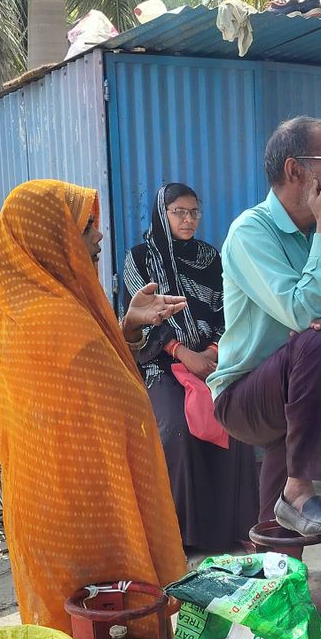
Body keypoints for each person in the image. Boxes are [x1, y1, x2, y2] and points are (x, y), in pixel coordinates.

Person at [0, 178, 189, 637]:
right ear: (48, 240)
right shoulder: (56, 320)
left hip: (52, 508)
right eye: (84, 227)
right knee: (109, 631)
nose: (98, 236)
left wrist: (128, 327)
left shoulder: (28, 309)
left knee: (74, 634)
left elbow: (99, 382)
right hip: (85, 512)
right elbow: (115, 396)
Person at [209, 116, 321, 537]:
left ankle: (278, 558)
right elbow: (302, 311)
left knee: (280, 535)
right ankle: (301, 488)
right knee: (317, 344)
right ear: (295, 170)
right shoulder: (250, 232)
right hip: (243, 395)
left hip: (299, 391)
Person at [122, 183, 258, 553]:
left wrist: (212, 351)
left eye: (194, 212)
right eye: (179, 212)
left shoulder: (209, 257)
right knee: (177, 431)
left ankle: (236, 527)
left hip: (212, 358)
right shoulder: (140, 259)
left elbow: (227, 308)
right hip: (160, 362)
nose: (188, 219)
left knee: (236, 420)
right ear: (162, 214)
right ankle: (182, 537)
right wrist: (181, 352)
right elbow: (139, 318)